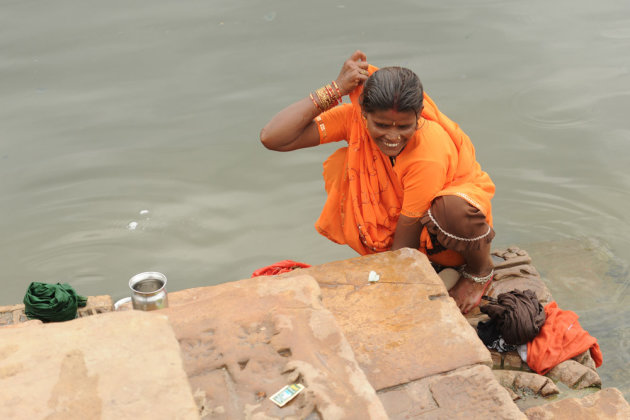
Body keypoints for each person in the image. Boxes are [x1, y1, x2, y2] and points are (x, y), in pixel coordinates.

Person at [260, 51, 496, 314]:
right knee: (343, 164)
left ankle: (480, 271)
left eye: (404, 126)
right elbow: (273, 137)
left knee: (451, 209)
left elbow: (406, 236)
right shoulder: (353, 120)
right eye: (381, 125)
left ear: (419, 115)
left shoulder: (428, 152)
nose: (393, 137)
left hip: (446, 238)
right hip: (404, 240)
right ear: (363, 113)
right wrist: (336, 88)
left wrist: (388, 293)